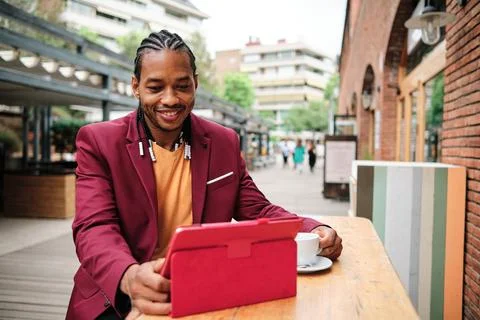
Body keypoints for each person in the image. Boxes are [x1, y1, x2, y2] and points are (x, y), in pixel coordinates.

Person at [66, 30, 342, 320]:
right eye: (155, 87)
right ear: (136, 86)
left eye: (182, 86)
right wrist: (129, 276)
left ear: (195, 84)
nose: (170, 99)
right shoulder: (98, 141)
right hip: (116, 297)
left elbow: (257, 208)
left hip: (199, 290)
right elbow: (94, 227)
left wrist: (310, 228)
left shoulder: (223, 142)